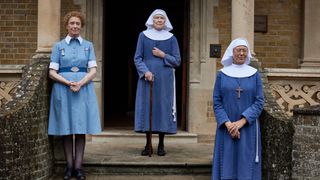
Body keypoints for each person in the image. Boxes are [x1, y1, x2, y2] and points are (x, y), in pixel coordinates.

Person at [48, 11, 101, 180]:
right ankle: (68, 168)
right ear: (67, 25)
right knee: (66, 129)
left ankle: (78, 168)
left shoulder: (88, 46)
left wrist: (80, 82)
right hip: (64, 90)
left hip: (83, 90)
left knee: (80, 129)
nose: (75, 26)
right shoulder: (58, 46)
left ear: (81, 26)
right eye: (72, 23)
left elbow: (93, 70)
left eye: (78, 24)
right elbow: (51, 72)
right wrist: (68, 82)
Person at [211, 38, 264, 180]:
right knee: (227, 161)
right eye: (238, 50)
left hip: (248, 127)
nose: (241, 53)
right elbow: (217, 101)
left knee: (246, 163)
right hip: (226, 127)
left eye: (244, 50)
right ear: (232, 52)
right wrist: (228, 124)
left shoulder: (254, 74)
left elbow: (259, 101)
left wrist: (241, 122)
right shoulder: (222, 74)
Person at [133, 9, 181, 156]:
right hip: (147, 78)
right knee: (148, 108)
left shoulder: (172, 38)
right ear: (152, 21)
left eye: (162, 18)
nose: (159, 20)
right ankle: (148, 144)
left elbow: (177, 61)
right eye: (156, 18)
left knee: (162, 108)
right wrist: (145, 72)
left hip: (165, 79)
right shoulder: (143, 36)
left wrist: (163, 55)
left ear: (165, 21)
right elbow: (137, 58)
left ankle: (161, 144)